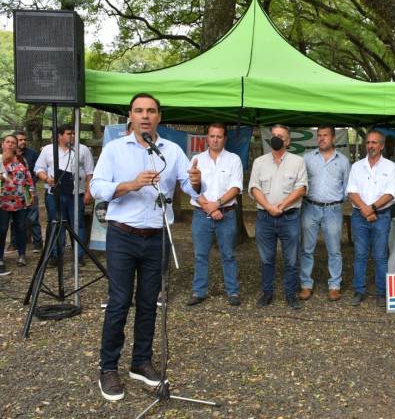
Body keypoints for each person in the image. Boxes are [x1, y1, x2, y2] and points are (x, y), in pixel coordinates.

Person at [91, 93, 201, 401]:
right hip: (122, 235)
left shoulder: (172, 150)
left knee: (149, 302)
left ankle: (140, 361)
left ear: (159, 117)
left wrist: (196, 180)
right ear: (130, 115)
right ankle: (108, 367)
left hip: (157, 236)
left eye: (151, 111)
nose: (145, 116)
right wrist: (131, 184)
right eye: (139, 110)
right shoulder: (114, 149)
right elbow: (96, 187)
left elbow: (190, 187)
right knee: (119, 301)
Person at [249, 124, 307, 310]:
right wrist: (269, 207)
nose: (276, 138)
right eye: (274, 135)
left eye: (281, 136)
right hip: (265, 217)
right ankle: (267, 293)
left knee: (291, 259)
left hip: (289, 217)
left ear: (288, 141)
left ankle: (291, 294)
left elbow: (301, 188)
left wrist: (282, 206)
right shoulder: (259, 162)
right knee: (266, 259)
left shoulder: (298, 162)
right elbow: (254, 188)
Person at [185, 123, 244, 307]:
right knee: (200, 255)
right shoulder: (197, 160)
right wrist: (209, 207)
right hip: (201, 215)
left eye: (219, 136)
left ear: (225, 138)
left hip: (226, 214)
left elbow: (236, 187)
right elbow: (191, 188)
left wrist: (217, 205)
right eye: (212, 136)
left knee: (229, 255)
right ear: (207, 138)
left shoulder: (233, 159)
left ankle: (233, 292)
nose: (215, 140)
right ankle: (199, 291)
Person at [298, 125, 350, 302]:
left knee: (334, 250)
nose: (321, 138)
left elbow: (347, 187)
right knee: (307, 249)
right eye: (319, 135)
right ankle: (306, 284)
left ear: (333, 138)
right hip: (310, 207)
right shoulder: (307, 159)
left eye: (325, 135)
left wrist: (335, 201)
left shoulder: (343, 161)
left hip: (333, 210)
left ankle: (334, 286)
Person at [346, 129, 395, 307]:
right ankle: (359, 291)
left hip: (381, 216)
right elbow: (351, 191)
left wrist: (372, 208)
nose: (370, 146)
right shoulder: (356, 166)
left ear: (381, 146)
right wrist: (365, 209)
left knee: (380, 256)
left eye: (374, 142)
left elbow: (390, 193)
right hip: (360, 216)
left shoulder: (390, 167)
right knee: (360, 255)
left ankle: (381, 292)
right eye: (368, 142)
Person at [34, 123, 94, 265]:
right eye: (69, 133)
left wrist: (88, 192)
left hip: (76, 194)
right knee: (57, 224)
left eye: (74, 133)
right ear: (59, 135)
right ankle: (56, 255)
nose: (73, 136)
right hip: (54, 194)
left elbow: (90, 172)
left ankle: (79, 256)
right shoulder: (48, 149)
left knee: (78, 224)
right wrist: (47, 179)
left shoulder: (83, 149)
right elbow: (38, 168)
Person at [0, 135, 35, 275]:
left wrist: (31, 195)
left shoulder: (21, 161)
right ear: (2, 144)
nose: (10, 144)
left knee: (21, 227)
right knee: (2, 229)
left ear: (16, 146)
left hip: (20, 201)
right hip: (2, 201)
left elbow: (28, 179)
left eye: (13, 142)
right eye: (7, 142)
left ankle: (22, 255)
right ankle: (0, 258)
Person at [8, 131, 42, 254]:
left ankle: (38, 243)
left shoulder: (32, 153)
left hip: (28, 189)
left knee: (33, 217)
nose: (23, 142)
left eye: (24, 139)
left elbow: (38, 169)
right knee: (14, 218)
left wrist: (31, 183)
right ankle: (14, 243)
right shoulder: (9, 155)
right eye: (20, 140)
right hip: (13, 191)